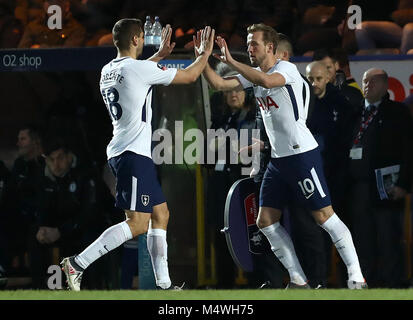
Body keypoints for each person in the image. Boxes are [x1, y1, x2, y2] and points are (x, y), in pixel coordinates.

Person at [198, 23, 366, 289]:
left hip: (301, 155)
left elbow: (264, 81)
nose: (249, 48)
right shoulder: (255, 74)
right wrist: (202, 58)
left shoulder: (285, 69)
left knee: (324, 217)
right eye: (248, 43)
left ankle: (357, 276)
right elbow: (219, 83)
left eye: (254, 44)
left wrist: (230, 60)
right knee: (265, 221)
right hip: (278, 160)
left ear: (270, 48)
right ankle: (299, 280)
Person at [60, 18, 215, 291]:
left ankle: (165, 287)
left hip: (127, 151)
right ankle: (78, 263)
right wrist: (203, 54)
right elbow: (190, 76)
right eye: (142, 37)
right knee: (137, 223)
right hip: (133, 153)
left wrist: (158, 56)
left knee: (161, 214)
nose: (144, 41)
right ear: (135, 40)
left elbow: (136, 76)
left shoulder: (108, 70)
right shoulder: (139, 69)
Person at [343, 68, 413, 288]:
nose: (367, 86)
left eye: (373, 82)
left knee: (388, 237)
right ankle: (367, 282)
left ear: (385, 86)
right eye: (365, 82)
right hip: (358, 188)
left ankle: (394, 283)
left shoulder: (397, 112)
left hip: (386, 187)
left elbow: (409, 151)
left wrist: (403, 184)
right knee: (363, 238)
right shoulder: (355, 113)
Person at [29, 136, 106, 288]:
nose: (56, 164)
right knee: (34, 236)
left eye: (60, 158)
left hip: (81, 228)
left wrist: (61, 231)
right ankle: (40, 289)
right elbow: (41, 208)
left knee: (90, 238)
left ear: (70, 156)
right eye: (51, 160)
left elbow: (89, 215)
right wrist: (41, 228)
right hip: (59, 229)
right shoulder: (44, 177)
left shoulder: (85, 174)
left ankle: (92, 289)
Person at [206, 62, 256, 288]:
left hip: (243, 183)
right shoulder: (220, 119)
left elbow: (247, 154)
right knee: (220, 231)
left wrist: (226, 144)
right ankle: (224, 282)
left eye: (238, 90)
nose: (233, 94)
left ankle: (255, 279)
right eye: (229, 91)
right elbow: (207, 155)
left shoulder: (253, 118)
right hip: (220, 183)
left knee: (248, 231)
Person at [8, 124, 44, 277]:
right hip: (17, 219)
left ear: (35, 142)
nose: (18, 143)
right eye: (18, 139)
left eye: (23, 139)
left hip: (39, 219)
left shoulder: (46, 164)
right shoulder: (19, 165)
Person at [17, 0, 86, 48]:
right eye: (48, 2)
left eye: (56, 2)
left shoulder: (76, 29)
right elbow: (22, 54)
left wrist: (40, 49)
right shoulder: (33, 27)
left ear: (66, 6)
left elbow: (68, 54)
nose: (51, 6)